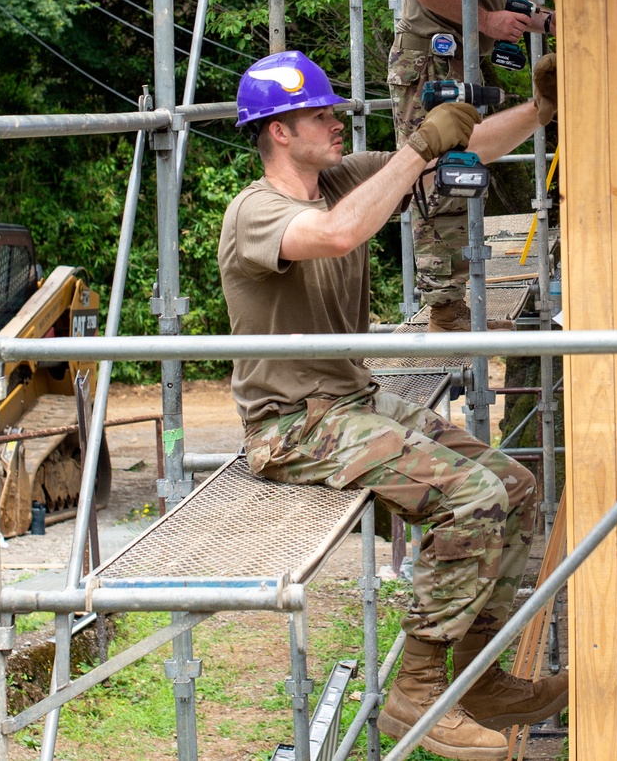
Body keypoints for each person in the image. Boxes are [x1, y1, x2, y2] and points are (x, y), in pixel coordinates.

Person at [219, 50, 565, 761]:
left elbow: (457, 149)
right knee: (468, 498)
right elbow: (341, 233)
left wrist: (539, 113)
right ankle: (415, 689)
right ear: (278, 132)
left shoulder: (339, 177)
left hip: (351, 400)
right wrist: (416, 147)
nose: (338, 122)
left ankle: (474, 674)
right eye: (321, 115)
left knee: (514, 486)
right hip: (292, 425)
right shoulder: (255, 211)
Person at [388, 0, 556, 332]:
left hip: (460, 56)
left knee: (459, 168)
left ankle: (455, 302)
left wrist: (540, 17)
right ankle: (443, 306)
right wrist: (486, 20)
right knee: (433, 171)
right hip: (431, 58)